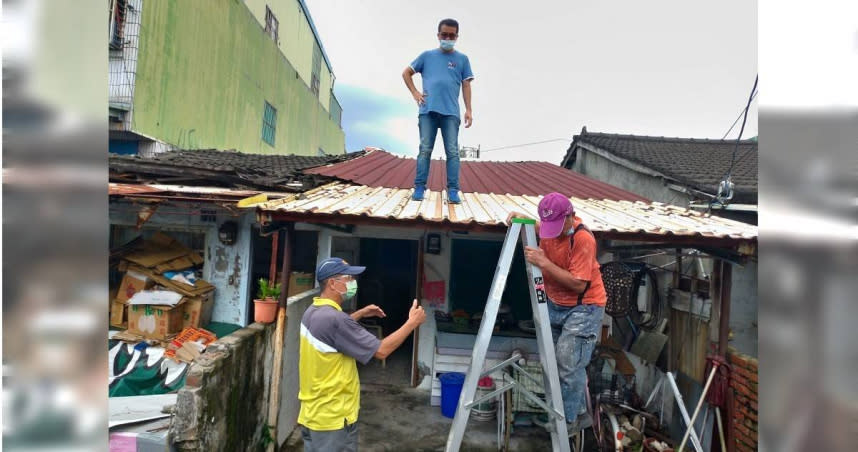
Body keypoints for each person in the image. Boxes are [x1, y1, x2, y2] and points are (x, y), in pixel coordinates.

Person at [297, 257, 427, 451]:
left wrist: (359, 314)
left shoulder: (313, 311)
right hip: (334, 420)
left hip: (312, 415)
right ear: (333, 283)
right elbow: (381, 351)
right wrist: (412, 323)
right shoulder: (336, 320)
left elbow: (332, 332)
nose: (353, 283)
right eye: (348, 278)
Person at [507, 192, 607, 435]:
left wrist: (544, 263)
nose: (551, 232)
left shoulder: (583, 239)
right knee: (552, 362)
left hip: (584, 306)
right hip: (555, 303)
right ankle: (576, 412)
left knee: (567, 362)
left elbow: (578, 284)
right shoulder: (550, 227)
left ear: (570, 217)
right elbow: (540, 226)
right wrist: (521, 218)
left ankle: (570, 420)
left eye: (557, 225)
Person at [402, 18, 474, 204]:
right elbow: (406, 73)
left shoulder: (462, 59)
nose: (448, 38)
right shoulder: (427, 56)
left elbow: (466, 85)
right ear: (438, 35)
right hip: (428, 111)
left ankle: (453, 191)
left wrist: (469, 110)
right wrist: (415, 93)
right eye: (444, 35)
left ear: (457, 36)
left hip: (451, 112)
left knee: (453, 151)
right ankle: (419, 187)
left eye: (452, 35)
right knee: (425, 149)